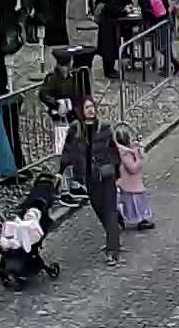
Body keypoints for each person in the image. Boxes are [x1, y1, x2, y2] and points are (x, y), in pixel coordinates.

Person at [59, 97, 123, 266]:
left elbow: (114, 152)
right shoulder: (75, 129)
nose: (91, 110)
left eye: (92, 107)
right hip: (90, 177)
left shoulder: (105, 128)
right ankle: (114, 229)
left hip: (106, 175)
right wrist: (60, 172)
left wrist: (115, 170)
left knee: (109, 210)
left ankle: (112, 251)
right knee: (98, 208)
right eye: (87, 107)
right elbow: (67, 152)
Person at [114, 125, 153, 232]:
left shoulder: (129, 150)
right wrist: (139, 158)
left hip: (134, 184)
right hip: (130, 186)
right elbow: (133, 168)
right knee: (134, 205)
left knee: (139, 204)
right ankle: (136, 219)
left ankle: (142, 220)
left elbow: (139, 153)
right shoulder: (125, 154)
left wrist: (138, 149)